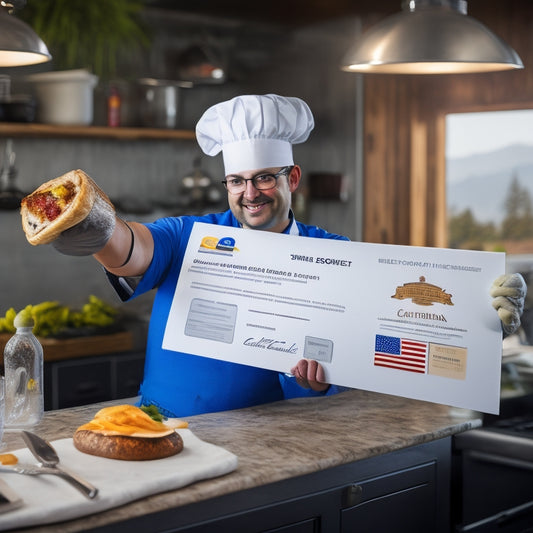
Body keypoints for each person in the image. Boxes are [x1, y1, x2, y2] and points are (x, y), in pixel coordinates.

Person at [44, 94, 525, 418]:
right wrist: (97, 230)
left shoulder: (335, 255)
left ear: (292, 179)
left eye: (264, 178)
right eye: (237, 181)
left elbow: (390, 326)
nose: (250, 193)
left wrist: (476, 320)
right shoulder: (191, 235)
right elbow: (134, 250)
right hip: (164, 428)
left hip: (270, 438)